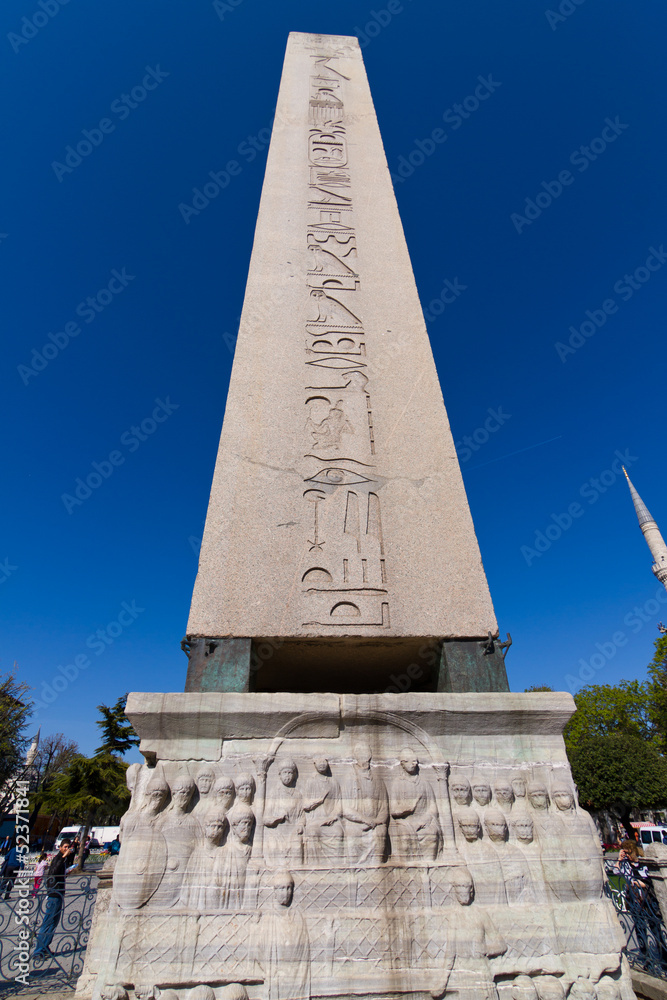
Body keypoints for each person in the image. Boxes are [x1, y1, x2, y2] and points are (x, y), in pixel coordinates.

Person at [33, 839, 71, 960]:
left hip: (58, 893)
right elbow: (53, 872)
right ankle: (38, 951)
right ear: (60, 847)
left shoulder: (62, 859)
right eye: (65, 847)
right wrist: (64, 857)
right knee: (48, 922)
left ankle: (45, 947)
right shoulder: (58, 858)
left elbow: (58, 873)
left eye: (68, 847)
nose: (67, 849)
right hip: (54, 894)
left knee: (54, 923)